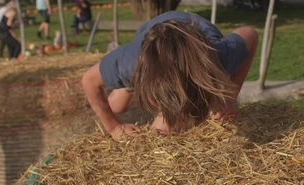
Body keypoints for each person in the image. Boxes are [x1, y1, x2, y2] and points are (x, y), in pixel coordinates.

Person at [82, 11, 258, 140]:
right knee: (117, 107)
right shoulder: (129, 64)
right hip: (148, 38)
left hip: (196, 31)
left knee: (164, 129)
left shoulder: (219, 57)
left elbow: (250, 34)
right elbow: (89, 81)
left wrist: (229, 97)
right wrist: (114, 128)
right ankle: (127, 88)